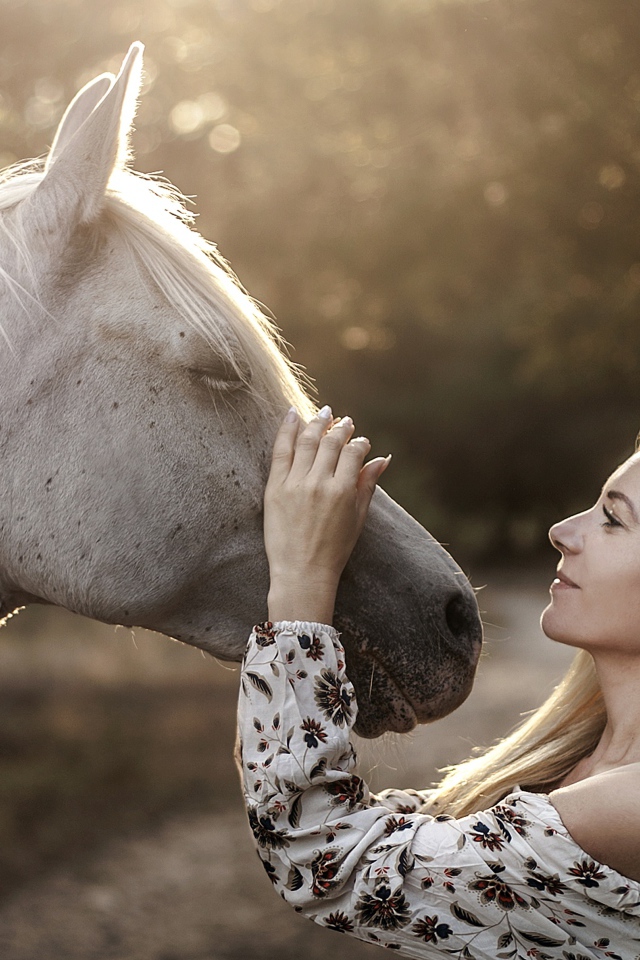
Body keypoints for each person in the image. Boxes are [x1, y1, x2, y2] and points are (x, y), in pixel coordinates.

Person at [236, 404, 640, 958]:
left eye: (614, 519)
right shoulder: (586, 763)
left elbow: (324, 861)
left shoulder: (629, 804)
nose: (561, 531)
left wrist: (302, 577)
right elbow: (397, 835)